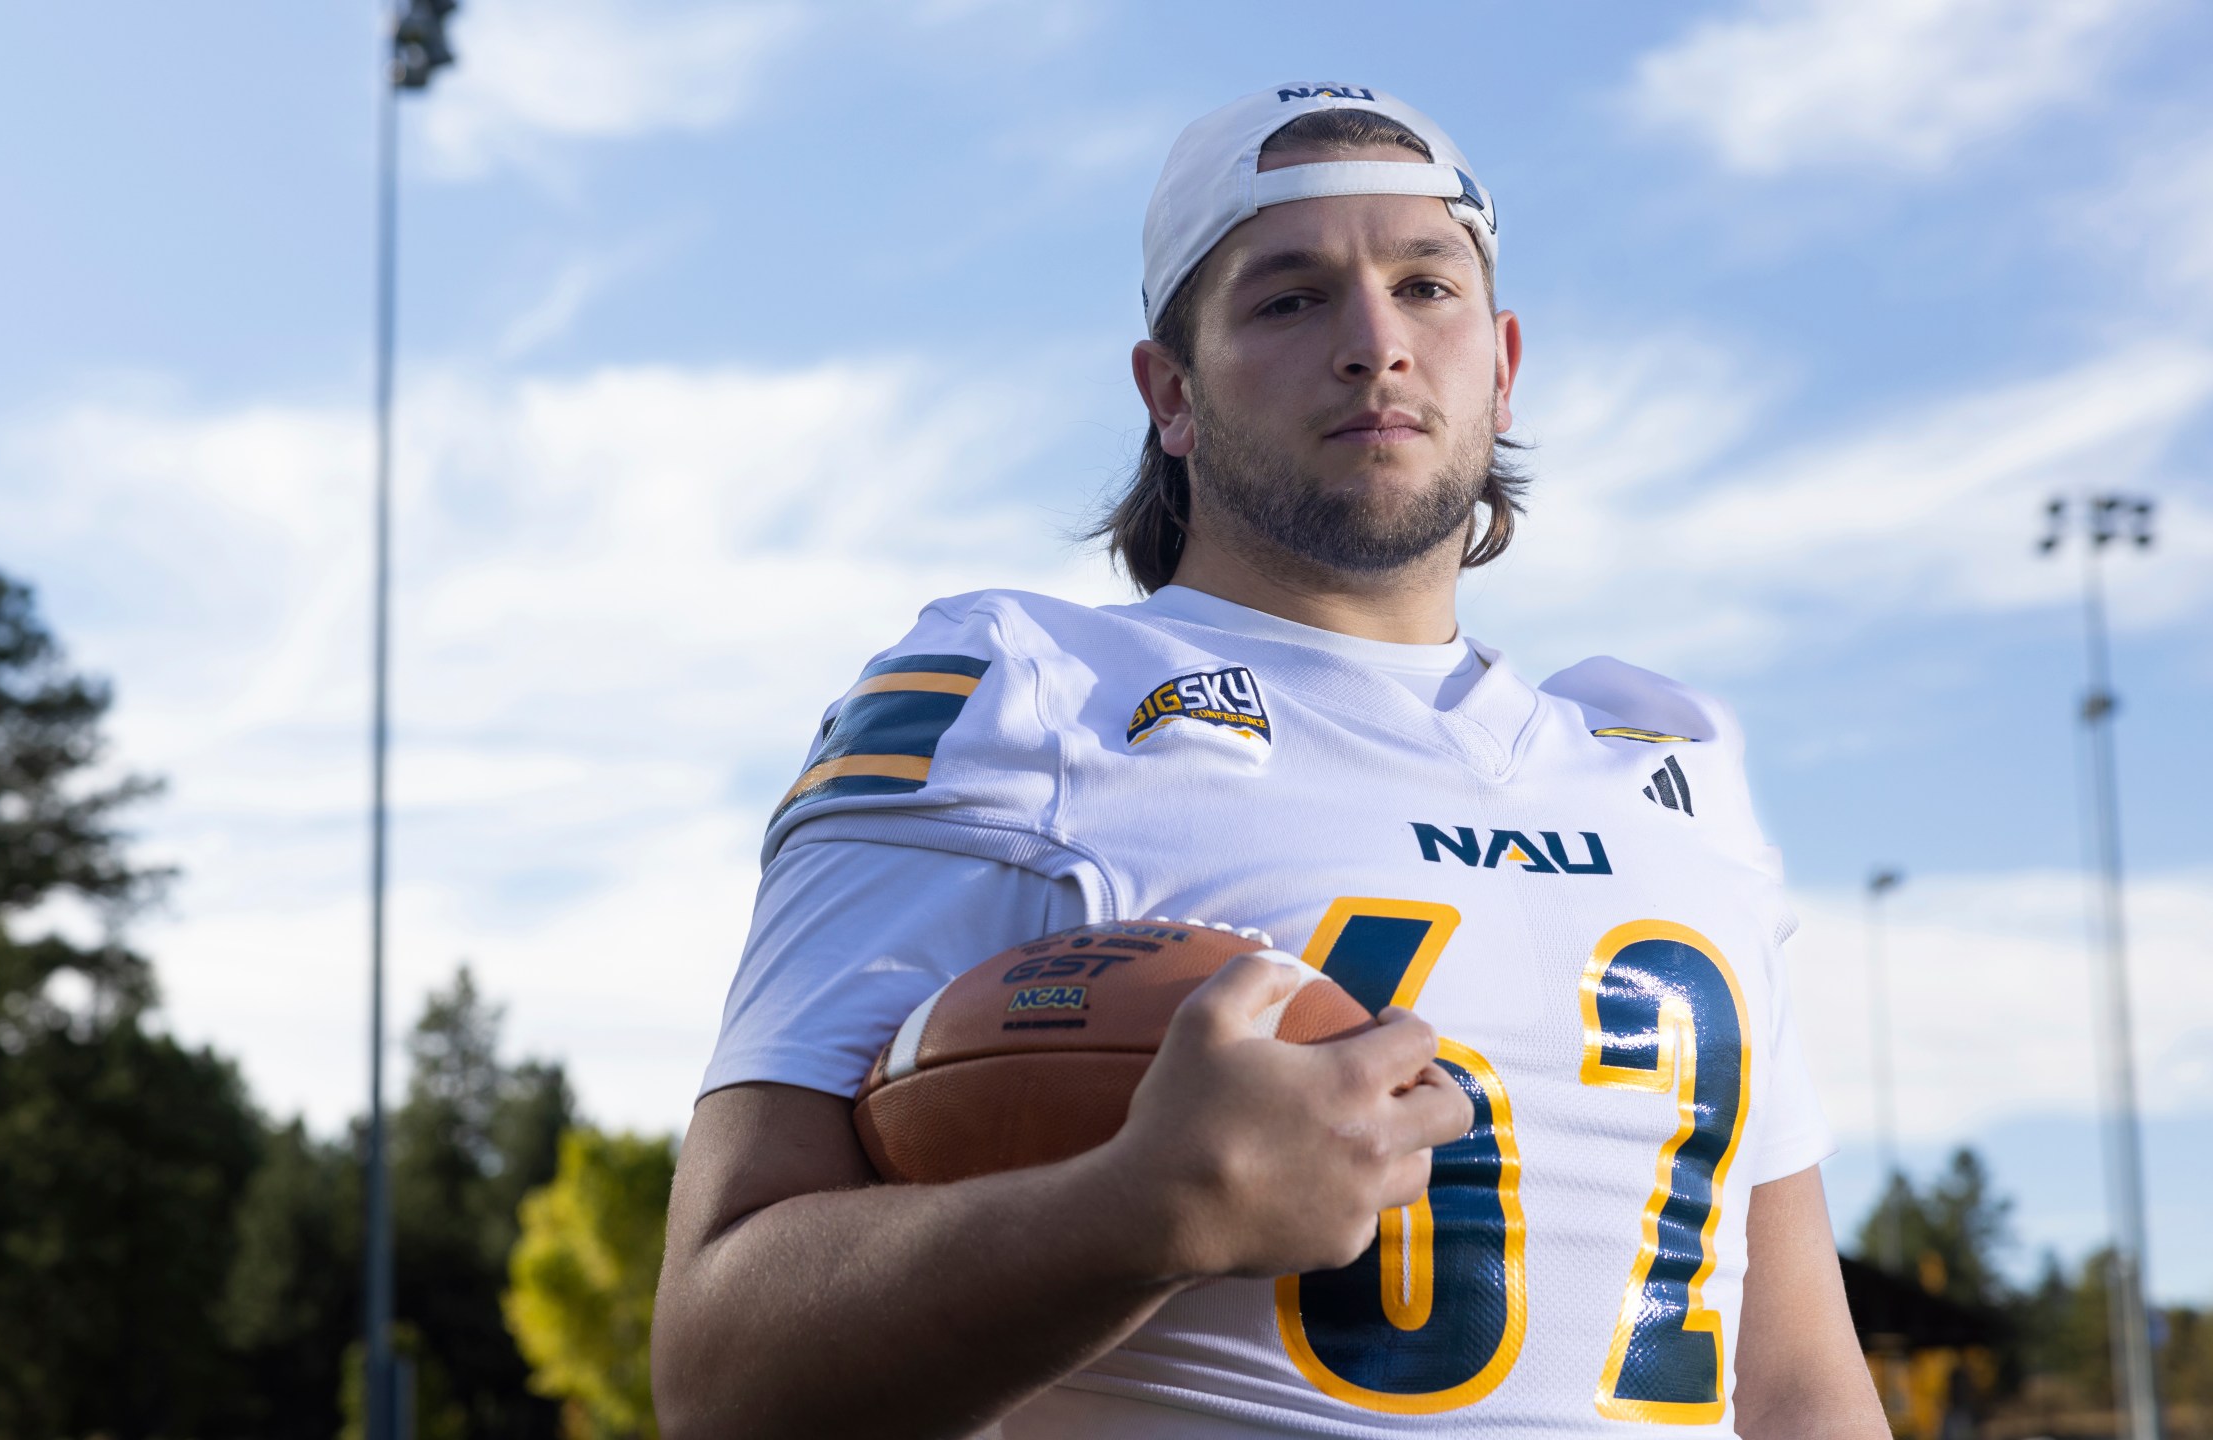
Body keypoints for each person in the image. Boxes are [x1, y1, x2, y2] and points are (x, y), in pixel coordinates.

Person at [651, 82, 1886, 1439]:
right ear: (1171, 394)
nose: (1376, 344)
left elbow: (1793, 1384)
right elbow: (720, 1369)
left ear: (1503, 363)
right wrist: (1130, 1215)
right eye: (1289, 298)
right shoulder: (1020, 693)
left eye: (1428, 286)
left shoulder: (1670, 761)